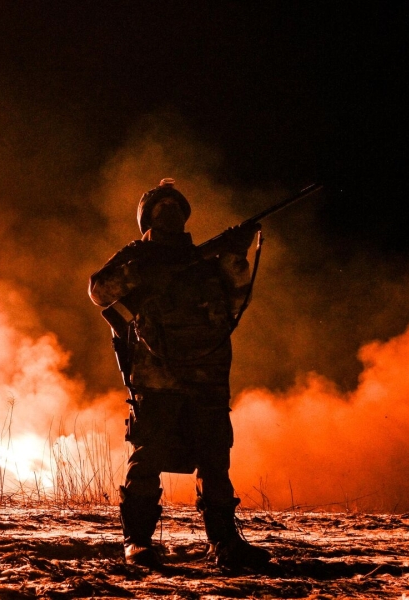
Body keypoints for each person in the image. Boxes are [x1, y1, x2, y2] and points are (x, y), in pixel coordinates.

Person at [88, 178, 271, 570]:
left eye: (175, 206)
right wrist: (144, 273)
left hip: (207, 376)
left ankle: (224, 543)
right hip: (157, 376)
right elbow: (99, 290)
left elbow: (237, 298)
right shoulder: (137, 254)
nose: (169, 211)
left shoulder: (206, 261)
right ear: (147, 218)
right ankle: (136, 542)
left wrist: (235, 258)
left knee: (214, 460)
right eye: (160, 206)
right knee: (148, 456)